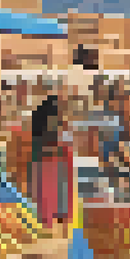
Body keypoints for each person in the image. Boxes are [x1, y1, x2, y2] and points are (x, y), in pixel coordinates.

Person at [29, 95, 75, 230]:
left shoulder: (37, 117)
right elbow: (58, 137)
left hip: (42, 156)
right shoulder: (55, 120)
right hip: (57, 156)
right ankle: (62, 219)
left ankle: (46, 219)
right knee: (61, 187)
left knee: (44, 188)